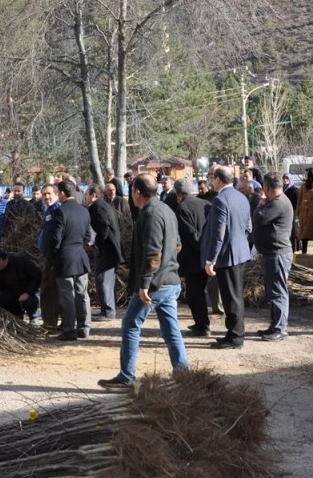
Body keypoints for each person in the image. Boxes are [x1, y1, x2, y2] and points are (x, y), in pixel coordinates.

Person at [98, 173, 188, 390]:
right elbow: (177, 246)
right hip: (171, 280)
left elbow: (153, 253)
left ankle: (126, 377)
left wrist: (145, 283)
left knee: (130, 324)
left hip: (155, 285)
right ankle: (183, 375)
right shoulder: (167, 209)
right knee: (170, 328)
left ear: (137, 192)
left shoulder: (150, 214)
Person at [202, 166, 252, 349]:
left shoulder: (220, 200)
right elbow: (248, 227)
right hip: (240, 252)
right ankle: (233, 333)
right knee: (234, 296)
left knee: (231, 298)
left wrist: (210, 260)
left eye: (212, 179)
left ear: (218, 180)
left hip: (227, 255)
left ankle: (236, 337)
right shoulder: (242, 196)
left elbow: (218, 234)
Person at [47, 179, 93, 340]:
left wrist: (53, 255)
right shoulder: (84, 210)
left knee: (67, 295)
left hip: (65, 258)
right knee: (82, 294)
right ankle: (84, 327)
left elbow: (55, 239)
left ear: (61, 193)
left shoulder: (60, 211)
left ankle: (69, 330)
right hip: (80, 257)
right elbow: (88, 236)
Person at [252, 172, 294, 341]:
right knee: (274, 291)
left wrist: (261, 203)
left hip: (278, 254)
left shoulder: (278, 203)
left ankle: (280, 328)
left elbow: (259, 218)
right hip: (272, 253)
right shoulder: (276, 201)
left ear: (268, 187)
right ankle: (274, 325)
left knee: (278, 292)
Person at [171, 176, 211, 337]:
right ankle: (200, 322)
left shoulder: (182, 208)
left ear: (178, 193)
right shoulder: (206, 204)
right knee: (198, 291)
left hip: (193, 257)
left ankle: (203, 325)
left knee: (194, 293)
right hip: (208, 254)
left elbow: (190, 234)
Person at [85, 184, 122, 320]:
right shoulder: (103, 205)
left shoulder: (98, 207)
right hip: (110, 250)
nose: (85, 197)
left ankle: (108, 311)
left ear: (93, 195)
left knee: (104, 280)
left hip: (106, 250)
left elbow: (103, 229)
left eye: (87, 194)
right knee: (107, 280)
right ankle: (108, 309)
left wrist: (97, 244)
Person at [36, 184, 60, 330]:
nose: (46, 197)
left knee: (50, 291)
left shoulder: (57, 209)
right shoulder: (49, 209)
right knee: (46, 289)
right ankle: (48, 322)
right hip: (47, 256)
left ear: (56, 194)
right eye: (44, 194)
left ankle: (50, 323)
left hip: (53, 257)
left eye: (49, 194)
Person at [282, 172, 301, 251]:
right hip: (284, 213)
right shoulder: (282, 190)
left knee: (294, 231)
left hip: (293, 212)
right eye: (284, 178)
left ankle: (295, 248)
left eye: (287, 178)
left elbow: (297, 203)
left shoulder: (295, 190)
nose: (285, 180)